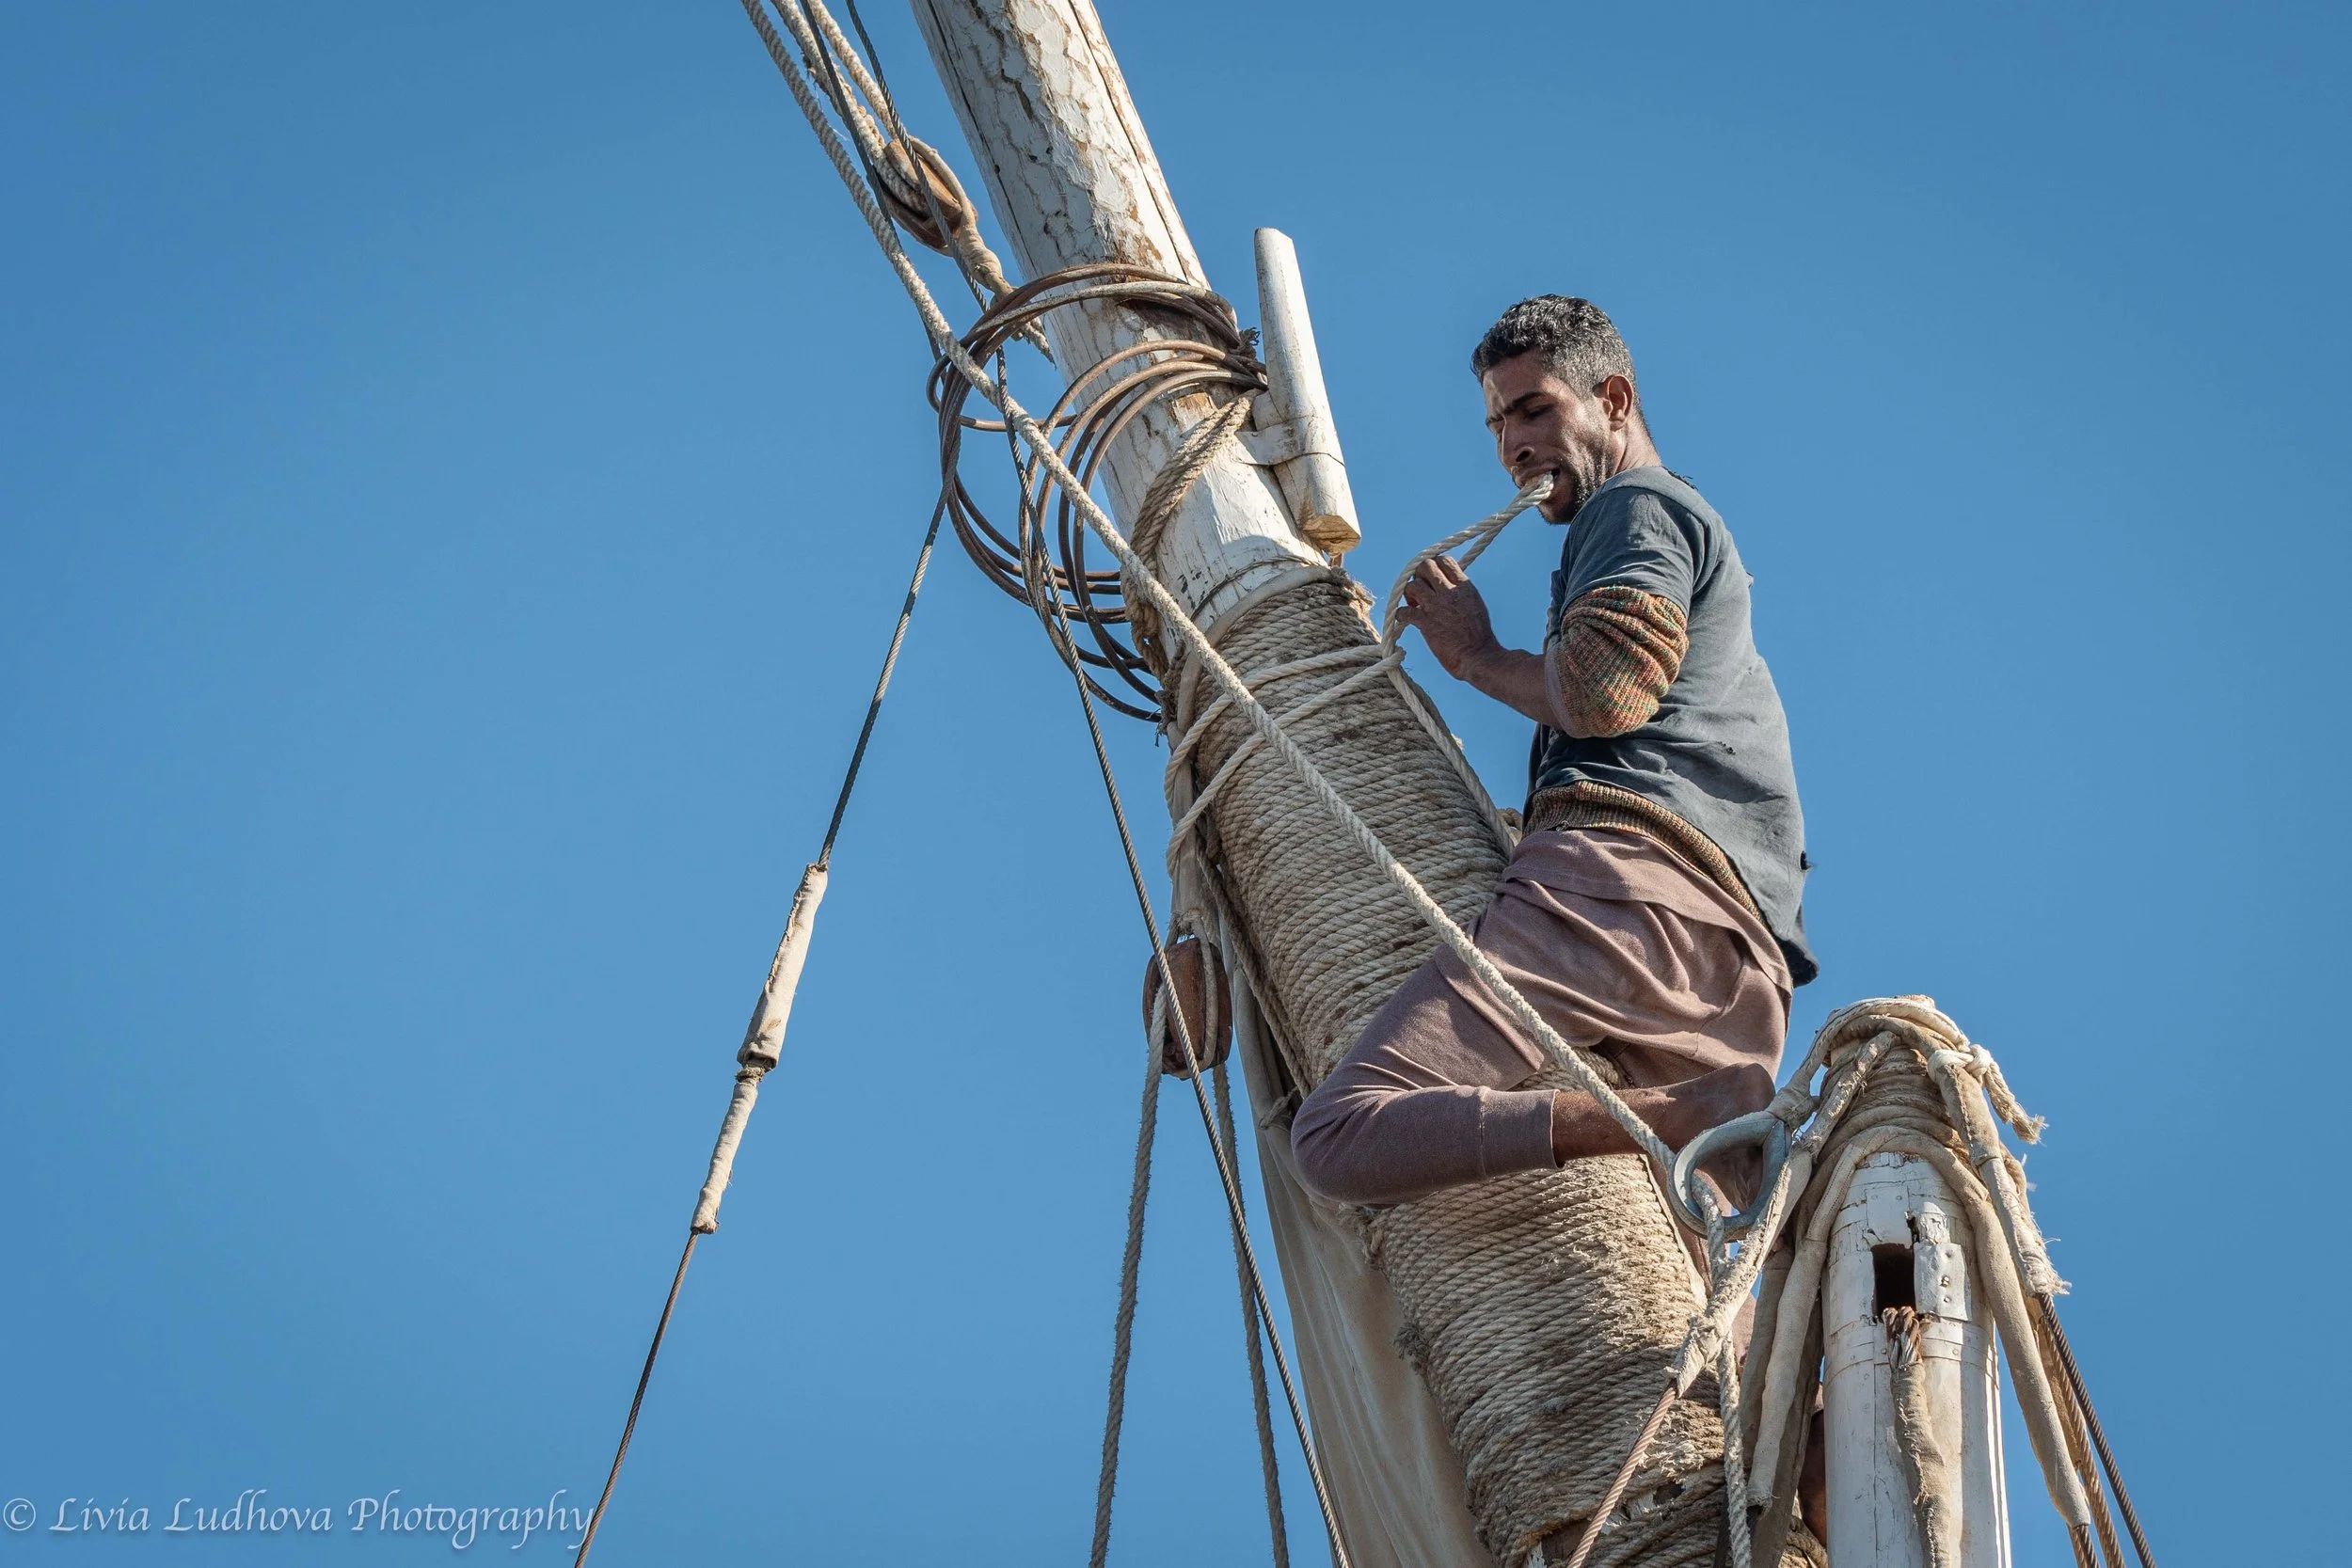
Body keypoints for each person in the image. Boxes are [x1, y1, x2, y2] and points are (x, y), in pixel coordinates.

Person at [1288, 294, 1815, 1215]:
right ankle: (1694, 1116)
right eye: (1497, 422)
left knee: (1339, 1135)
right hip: (1735, 977)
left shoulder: (1637, 506)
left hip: (1620, 896)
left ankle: (1672, 1116)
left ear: (1612, 398)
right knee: (1697, 1312)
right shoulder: (1680, 531)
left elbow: (1608, 693)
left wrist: (1475, 655)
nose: (1512, 444)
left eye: (1534, 409)